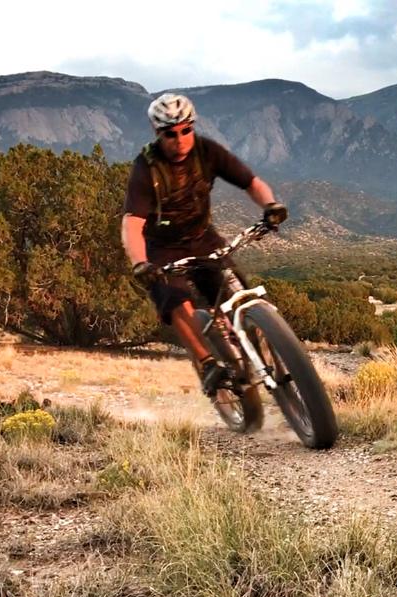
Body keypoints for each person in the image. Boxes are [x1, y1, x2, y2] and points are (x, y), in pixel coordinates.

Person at [121, 92, 289, 396]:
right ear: (158, 134)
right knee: (174, 299)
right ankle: (208, 363)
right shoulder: (146, 168)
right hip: (162, 247)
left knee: (235, 295)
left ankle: (262, 348)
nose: (180, 139)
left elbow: (251, 182)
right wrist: (139, 262)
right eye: (171, 134)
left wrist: (271, 206)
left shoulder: (206, 151)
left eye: (186, 130)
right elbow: (132, 222)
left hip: (202, 238)